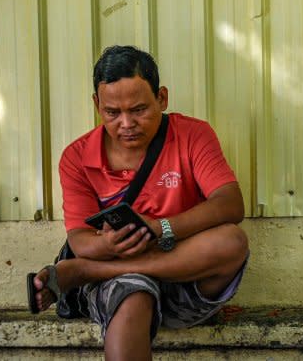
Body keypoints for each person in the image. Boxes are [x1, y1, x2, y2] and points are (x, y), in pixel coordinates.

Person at [27, 45, 249, 361]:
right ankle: (107, 272)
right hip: (117, 284)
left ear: (162, 98)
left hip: (185, 282)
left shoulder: (193, 135)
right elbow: (80, 240)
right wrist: (111, 246)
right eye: (112, 113)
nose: (127, 124)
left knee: (232, 241)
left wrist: (160, 229)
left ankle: (83, 272)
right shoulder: (77, 157)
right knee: (132, 295)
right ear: (96, 105)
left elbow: (230, 204)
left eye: (139, 109)